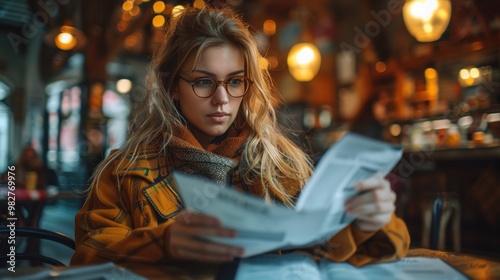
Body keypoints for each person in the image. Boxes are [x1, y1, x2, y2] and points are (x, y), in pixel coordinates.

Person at [71, 5, 409, 266]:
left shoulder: (282, 165)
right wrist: (164, 243)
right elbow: (88, 256)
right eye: (204, 82)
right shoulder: (125, 171)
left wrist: (370, 223)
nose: (222, 99)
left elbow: (330, 248)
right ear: (172, 86)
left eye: (235, 82)